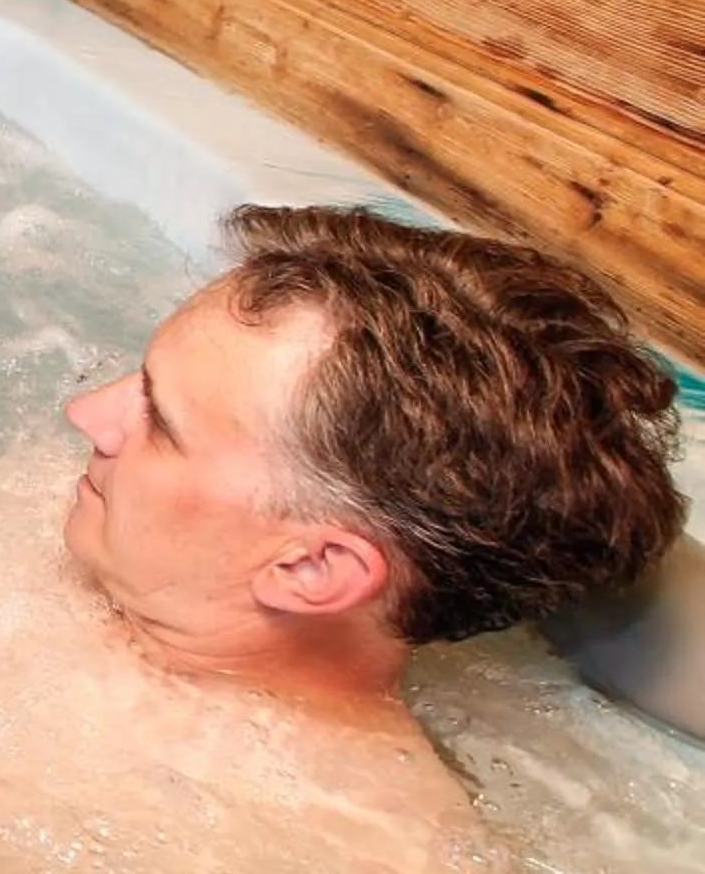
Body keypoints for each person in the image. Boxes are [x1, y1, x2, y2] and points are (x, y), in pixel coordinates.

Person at [63, 204, 688, 711]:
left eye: (161, 423)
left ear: (314, 567)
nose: (84, 412)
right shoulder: (103, 526)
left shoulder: (284, 826)